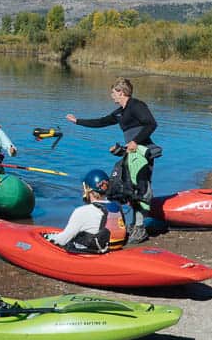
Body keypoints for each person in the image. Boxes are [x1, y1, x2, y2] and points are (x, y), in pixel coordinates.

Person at [64, 77, 158, 244]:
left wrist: (136, 141)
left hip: (143, 154)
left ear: (121, 92)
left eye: (113, 92)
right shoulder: (120, 111)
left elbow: (151, 124)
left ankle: (140, 229)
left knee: (141, 190)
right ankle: (134, 225)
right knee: (128, 189)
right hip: (131, 154)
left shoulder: (137, 106)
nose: (111, 95)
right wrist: (77, 121)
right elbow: (101, 121)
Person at [43, 169, 122, 254]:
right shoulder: (117, 207)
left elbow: (62, 240)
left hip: (94, 253)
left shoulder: (82, 212)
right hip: (112, 249)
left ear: (88, 189)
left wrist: (47, 238)